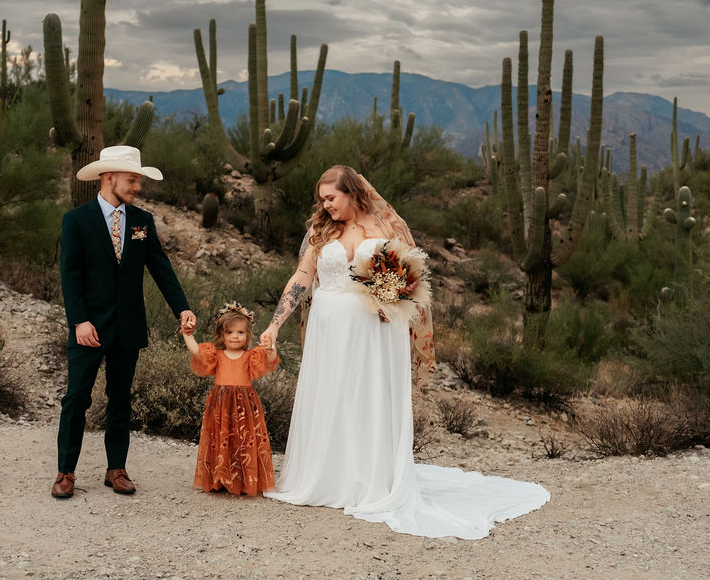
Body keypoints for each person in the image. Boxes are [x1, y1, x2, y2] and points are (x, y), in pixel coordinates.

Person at [258, 165, 549, 538]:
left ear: (353, 193)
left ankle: (368, 481)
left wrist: (392, 301)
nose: (325, 205)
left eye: (331, 197)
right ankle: (327, 478)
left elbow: (409, 281)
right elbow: (302, 277)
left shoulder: (385, 229)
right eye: (322, 200)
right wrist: (275, 324)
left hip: (375, 330)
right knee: (329, 396)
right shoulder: (321, 231)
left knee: (366, 399)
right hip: (328, 327)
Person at [52, 145, 196, 499]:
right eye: (133, 180)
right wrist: (79, 321)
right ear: (109, 177)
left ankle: (116, 468)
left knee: (121, 399)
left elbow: (160, 267)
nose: (138, 187)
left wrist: (182, 308)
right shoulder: (77, 220)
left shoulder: (142, 222)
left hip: (128, 325)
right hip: (88, 327)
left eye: (139, 181)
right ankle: (65, 471)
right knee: (76, 399)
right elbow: (69, 275)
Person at [182, 302, 279, 496]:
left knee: (244, 441)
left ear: (247, 335)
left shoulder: (251, 355)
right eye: (230, 332)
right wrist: (187, 335)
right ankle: (220, 480)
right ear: (222, 335)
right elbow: (196, 351)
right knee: (221, 439)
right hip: (220, 406)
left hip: (245, 406)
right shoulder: (215, 354)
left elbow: (270, 360)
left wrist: (270, 348)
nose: (235, 336)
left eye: (240, 333)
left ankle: (244, 481)